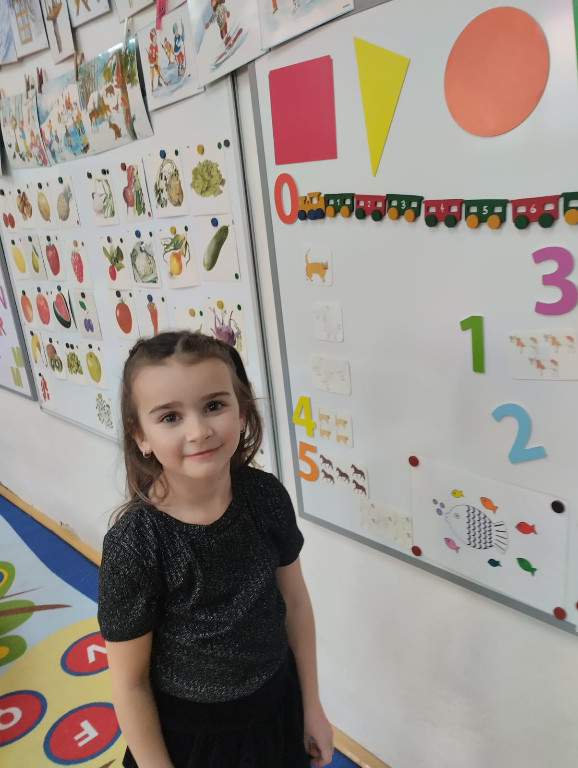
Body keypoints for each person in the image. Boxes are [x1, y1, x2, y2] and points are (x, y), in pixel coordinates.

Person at [98, 330, 334, 768]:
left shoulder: (265, 496)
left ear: (241, 411)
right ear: (140, 435)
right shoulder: (136, 544)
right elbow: (130, 683)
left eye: (213, 406)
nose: (199, 431)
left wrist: (312, 705)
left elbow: (296, 602)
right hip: (192, 738)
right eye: (170, 417)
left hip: (277, 707)